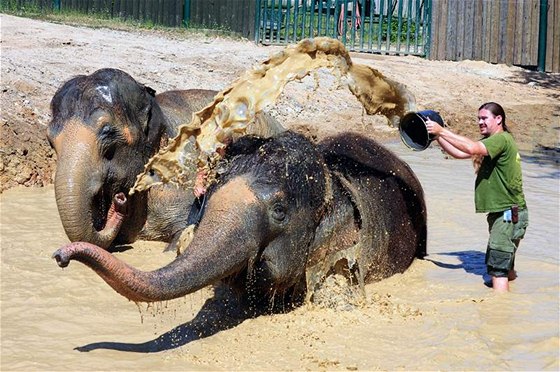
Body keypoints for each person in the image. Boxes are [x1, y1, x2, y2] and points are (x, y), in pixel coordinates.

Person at [425, 102, 529, 292]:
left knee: (497, 270)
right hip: (507, 213)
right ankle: (513, 295)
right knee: (505, 265)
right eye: (478, 118)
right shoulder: (492, 143)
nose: (480, 122)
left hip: (506, 214)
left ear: (499, 119)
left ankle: (498, 313)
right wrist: (437, 136)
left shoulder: (501, 140)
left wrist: (442, 130)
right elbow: (459, 153)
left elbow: (472, 148)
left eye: (484, 118)